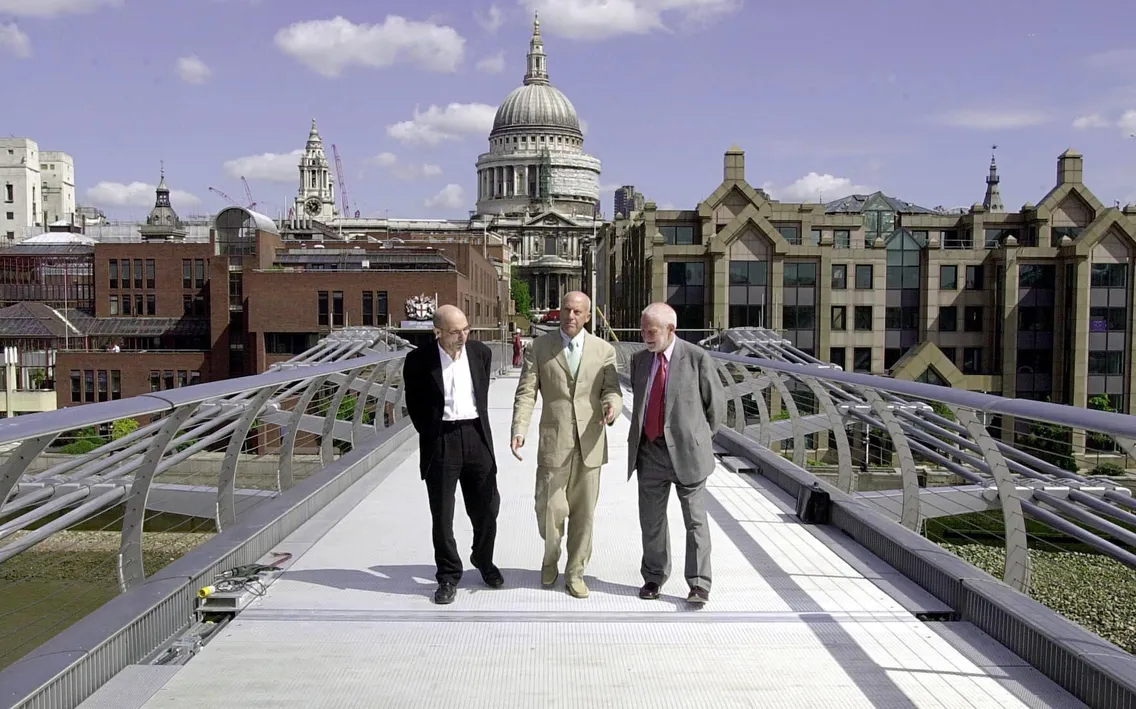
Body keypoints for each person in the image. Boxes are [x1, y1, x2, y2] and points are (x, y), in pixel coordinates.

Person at [510, 291, 622, 598]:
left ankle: (575, 572)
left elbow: (611, 390)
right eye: (566, 310)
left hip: (590, 443)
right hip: (553, 442)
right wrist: (519, 428)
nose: (571, 316)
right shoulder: (539, 347)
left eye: (577, 312)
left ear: (588, 316)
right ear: (559, 312)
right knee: (549, 509)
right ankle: (550, 557)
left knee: (584, 515)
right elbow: (526, 393)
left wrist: (613, 407)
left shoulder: (604, 350)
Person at [403, 304, 503, 605]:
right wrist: (432, 434)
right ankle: (448, 575)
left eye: (466, 329)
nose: (463, 336)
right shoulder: (418, 360)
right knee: (443, 514)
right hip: (441, 439)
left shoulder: (481, 353)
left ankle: (483, 559)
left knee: (488, 506)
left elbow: (481, 396)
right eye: (455, 332)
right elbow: (415, 405)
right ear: (438, 333)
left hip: (476, 436)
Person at [627, 302, 725, 605]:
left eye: (651, 331)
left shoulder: (697, 358)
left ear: (671, 329)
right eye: (643, 330)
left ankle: (698, 584)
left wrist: (700, 439)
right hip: (651, 453)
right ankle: (654, 577)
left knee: (695, 522)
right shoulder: (639, 361)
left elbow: (716, 407)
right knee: (652, 520)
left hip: (688, 454)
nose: (646, 336)